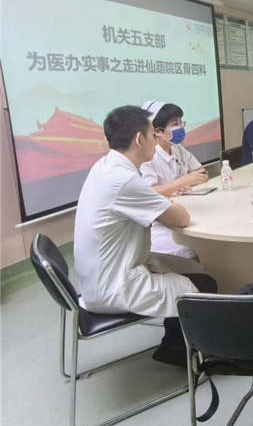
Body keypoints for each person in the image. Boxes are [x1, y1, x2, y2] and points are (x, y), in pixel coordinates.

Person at [74, 106, 217, 367]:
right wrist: (171, 201)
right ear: (140, 139)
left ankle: (174, 341)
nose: (157, 139)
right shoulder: (123, 180)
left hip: (106, 272)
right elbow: (180, 219)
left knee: (196, 269)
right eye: (153, 134)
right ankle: (179, 351)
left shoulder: (106, 166)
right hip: (114, 285)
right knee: (197, 286)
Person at [139, 101, 208, 260]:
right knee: (194, 247)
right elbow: (150, 192)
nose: (181, 128)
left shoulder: (177, 148)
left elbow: (202, 171)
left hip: (187, 208)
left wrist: (187, 182)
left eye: (181, 123)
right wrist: (181, 182)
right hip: (163, 223)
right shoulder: (149, 156)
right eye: (175, 124)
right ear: (158, 131)